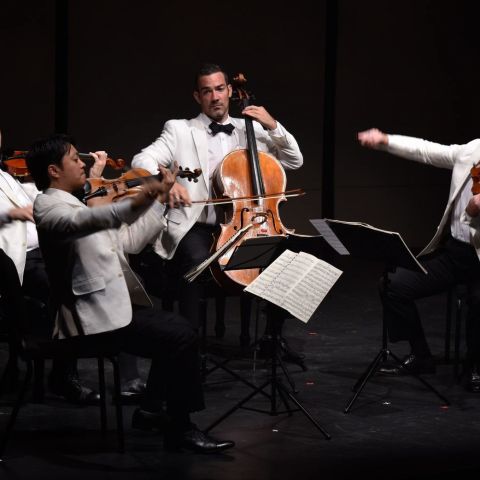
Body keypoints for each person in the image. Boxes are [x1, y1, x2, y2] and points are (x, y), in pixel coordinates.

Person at [26, 133, 234, 453]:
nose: (84, 164)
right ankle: (178, 426)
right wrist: (141, 194)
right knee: (180, 335)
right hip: (87, 321)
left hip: (110, 308)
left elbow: (129, 242)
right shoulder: (49, 207)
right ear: (54, 170)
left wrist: (158, 200)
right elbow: (93, 218)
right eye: (74, 159)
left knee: (180, 332)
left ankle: (153, 411)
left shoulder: (77, 203)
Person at [131, 63, 304, 362]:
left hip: (244, 226)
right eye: (207, 91)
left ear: (231, 91)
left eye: (220, 89)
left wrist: (273, 125)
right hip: (196, 225)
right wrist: (162, 184)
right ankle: (188, 346)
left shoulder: (249, 128)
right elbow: (142, 159)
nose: (215, 97)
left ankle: (272, 337)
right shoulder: (180, 129)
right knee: (197, 265)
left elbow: (294, 160)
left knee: (284, 258)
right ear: (198, 96)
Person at [358, 127, 480, 392]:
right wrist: (385, 140)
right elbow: (425, 150)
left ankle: (476, 366)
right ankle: (421, 355)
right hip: (457, 254)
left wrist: (472, 212)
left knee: (478, 303)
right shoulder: (470, 151)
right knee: (394, 286)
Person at [0, 130, 106, 404]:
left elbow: (40, 192)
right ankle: (64, 376)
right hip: (13, 261)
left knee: (86, 272)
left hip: (42, 252)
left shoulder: (7, 177)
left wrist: (93, 178)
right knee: (63, 287)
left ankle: (66, 368)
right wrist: (10, 214)